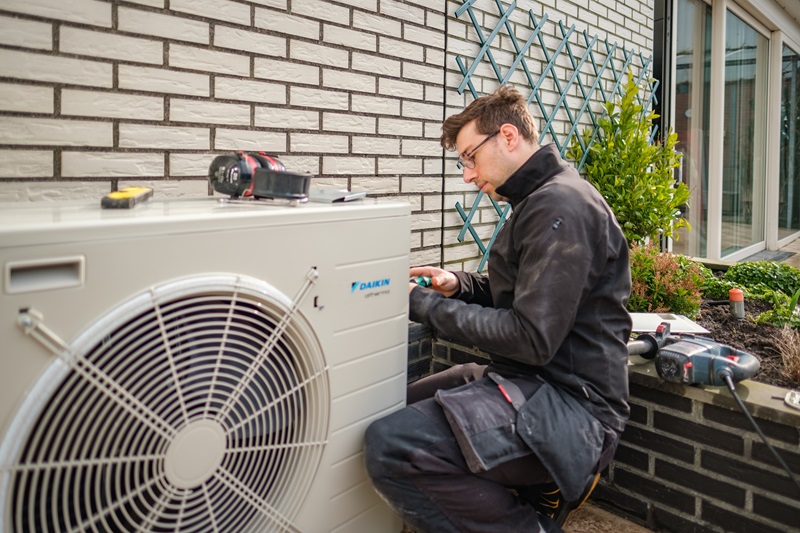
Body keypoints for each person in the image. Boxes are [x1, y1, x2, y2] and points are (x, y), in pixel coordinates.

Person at [363, 85, 632, 533]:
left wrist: (421, 304)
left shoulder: (560, 206)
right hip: (530, 384)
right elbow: (531, 295)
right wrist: (460, 285)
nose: (468, 175)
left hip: (573, 408)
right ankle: (531, 490)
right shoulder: (538, 200)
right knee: (387, 411)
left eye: (470, 157)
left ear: (508, 136)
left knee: (393, 443)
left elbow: (530, 336)